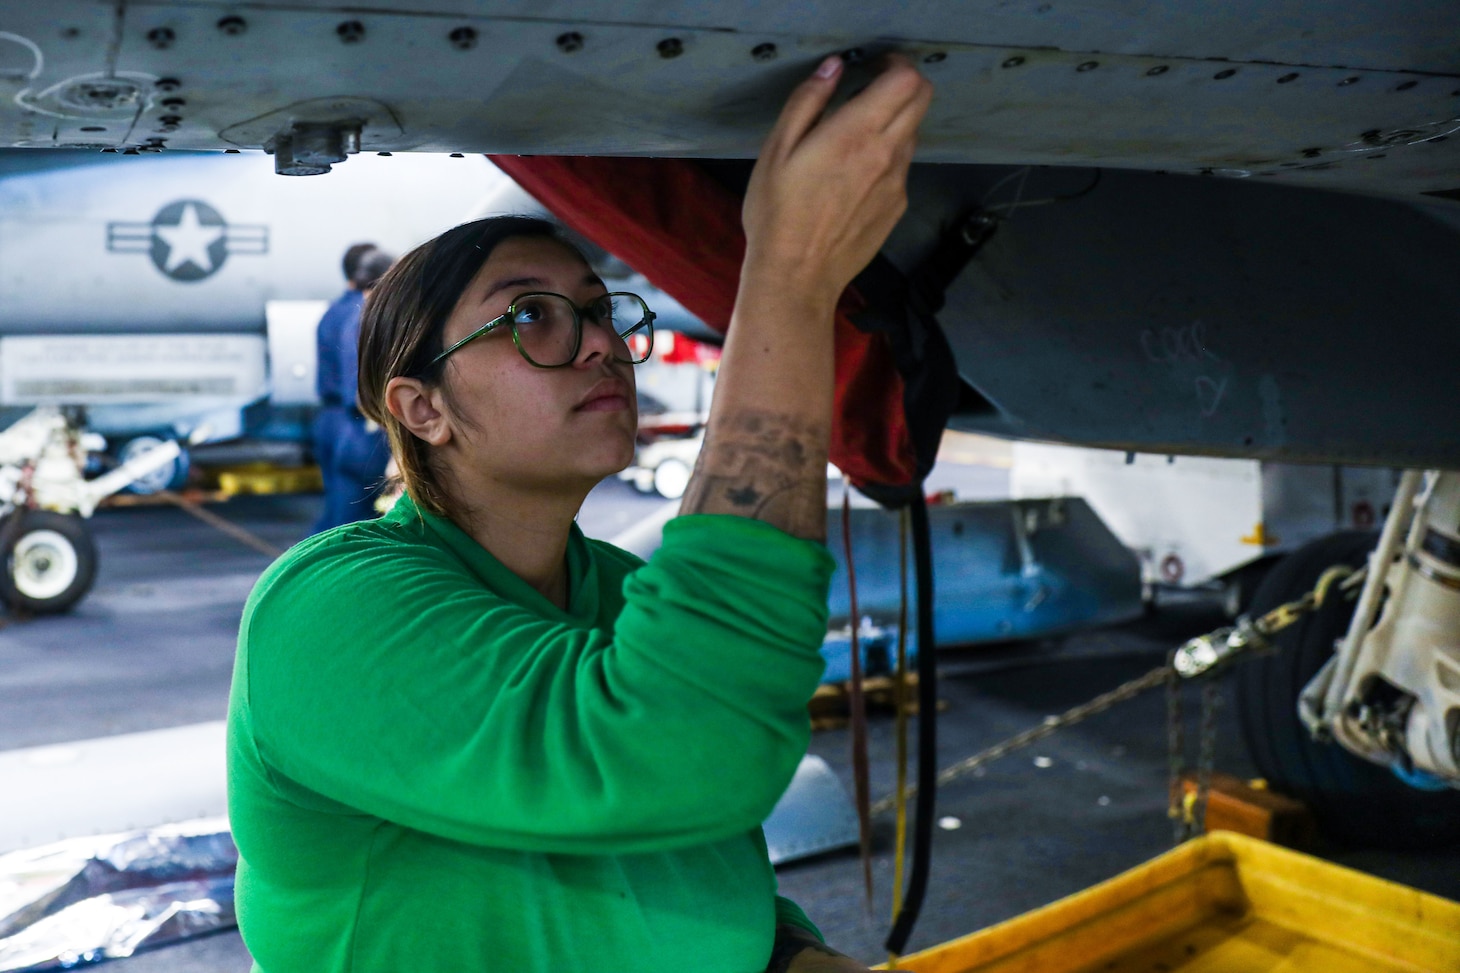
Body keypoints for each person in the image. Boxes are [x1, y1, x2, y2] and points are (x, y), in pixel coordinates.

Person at [228, 53, 932, 972]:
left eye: (600, 311)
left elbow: (692, 844)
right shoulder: (326, 611)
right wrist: (789, 275)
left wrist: (785, 950)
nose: (601, 342)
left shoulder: (624, 594)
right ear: (421, 408)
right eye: (530, 317)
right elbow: (679, 754)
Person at [311, 244, 396, 533]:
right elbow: (363, 387)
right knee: (355, 526)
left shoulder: (336, 311)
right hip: (364, 427)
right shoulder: (364, 316)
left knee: (338, 518)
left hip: (338, 422)